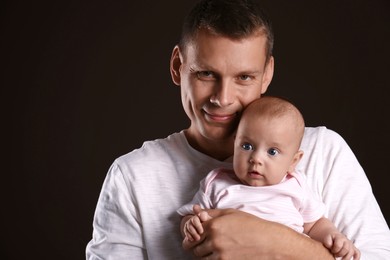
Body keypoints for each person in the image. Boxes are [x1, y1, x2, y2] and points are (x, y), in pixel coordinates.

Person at [86, 0, 390, 259]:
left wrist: (276, 243)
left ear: (267, 73)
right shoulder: (132, 176)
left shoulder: (325, 152)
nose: (223, 98)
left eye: (244, 77)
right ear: (178, 66)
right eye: (206, 74)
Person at [178, 96, 360, 259]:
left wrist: (334, 236)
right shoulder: (216, 182)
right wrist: (190, 224)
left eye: (272, 152)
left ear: (293, 161)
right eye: (247, 146)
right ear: (235, 144)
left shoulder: (295, 185)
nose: (256, 159)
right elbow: (190, 215)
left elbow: (314, 224)